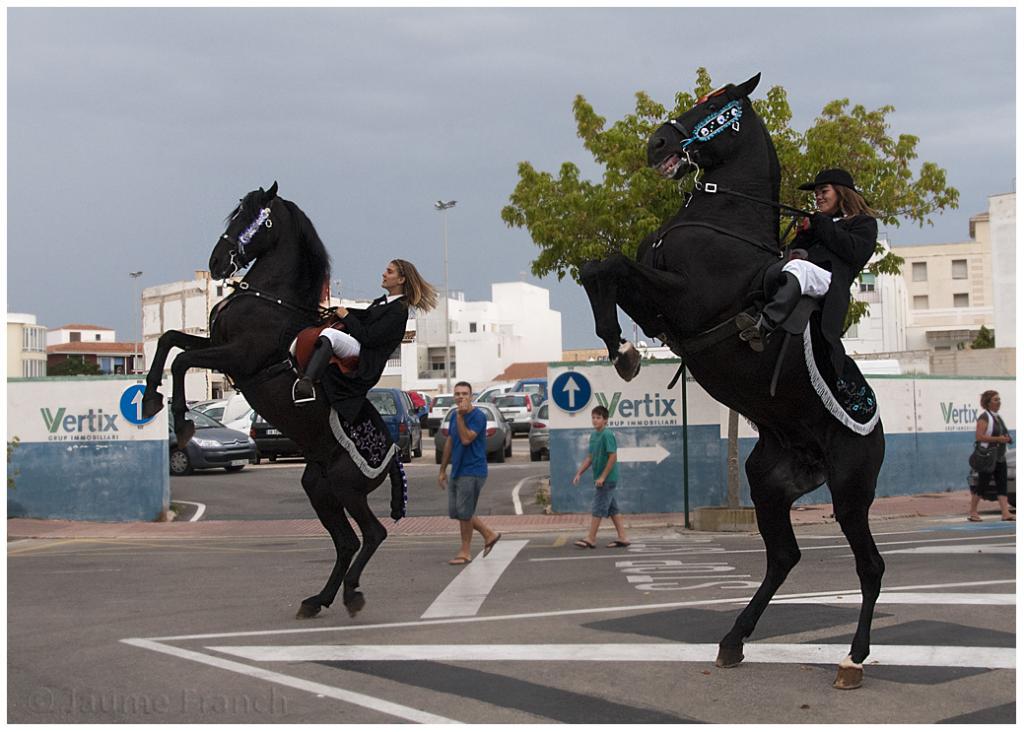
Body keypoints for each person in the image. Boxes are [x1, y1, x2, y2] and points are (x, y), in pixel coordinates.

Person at [738, 168, 879, 375]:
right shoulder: (819, 224)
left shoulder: (864, 223)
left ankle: (766, 323)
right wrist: (804, 234)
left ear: (841, 192)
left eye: (824, 192)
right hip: (806, 276)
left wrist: (821, 223)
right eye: (817, 195)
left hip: (831, 282)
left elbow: (853, 252)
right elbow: (791, 252)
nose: (819, 198)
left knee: (799, 268)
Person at [293, 259, 437, 410]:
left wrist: (346, 316)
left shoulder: (398, 311)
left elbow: (369, 337)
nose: (384, 274)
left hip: (366, 356)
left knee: (331, 335)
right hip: (359, 344)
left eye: (389, 271)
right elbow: (362, 317)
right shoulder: (382, 303)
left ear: (401, 280)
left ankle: (307, 383)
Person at [438, 381, 502, 565]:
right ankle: (489, 534)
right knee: (457, 512)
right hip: (457, 470)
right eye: (457, 394)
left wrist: (459, 417)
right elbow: (451, 442)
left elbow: (466, 439)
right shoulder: (453, 416)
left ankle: (465, 552)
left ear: (471, 396)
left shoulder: (478, 417)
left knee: (464, 512)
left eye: (464, 394)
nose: (460, 397)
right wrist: (442, 470)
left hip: (473, 470)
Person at [571, 405, 631, 549]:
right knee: (612, 509)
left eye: (598, 418)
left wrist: (603, 477)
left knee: (598, 508)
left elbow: (613, 457)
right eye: (593, 417)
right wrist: (579, 473)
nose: (595, 420)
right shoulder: (594, 436)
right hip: (600, 478)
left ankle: (591, 538)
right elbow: (590, 458)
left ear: (605, 420)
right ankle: (623, 538)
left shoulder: (607, 434)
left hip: (607, 479)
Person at [968, 390, 1015, 522]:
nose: (999, 402)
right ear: (987, 403)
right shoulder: (984, 417)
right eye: (995, 399)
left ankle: (1005, 513)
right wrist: (998, 439)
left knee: (1002, 484)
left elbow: (1003, 435)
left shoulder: (998, 417)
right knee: (982, 484)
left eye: (999, 399)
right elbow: (979, 436)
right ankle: (972, 512)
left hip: (1000, 456)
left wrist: (1007, 439)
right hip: (988, 457)